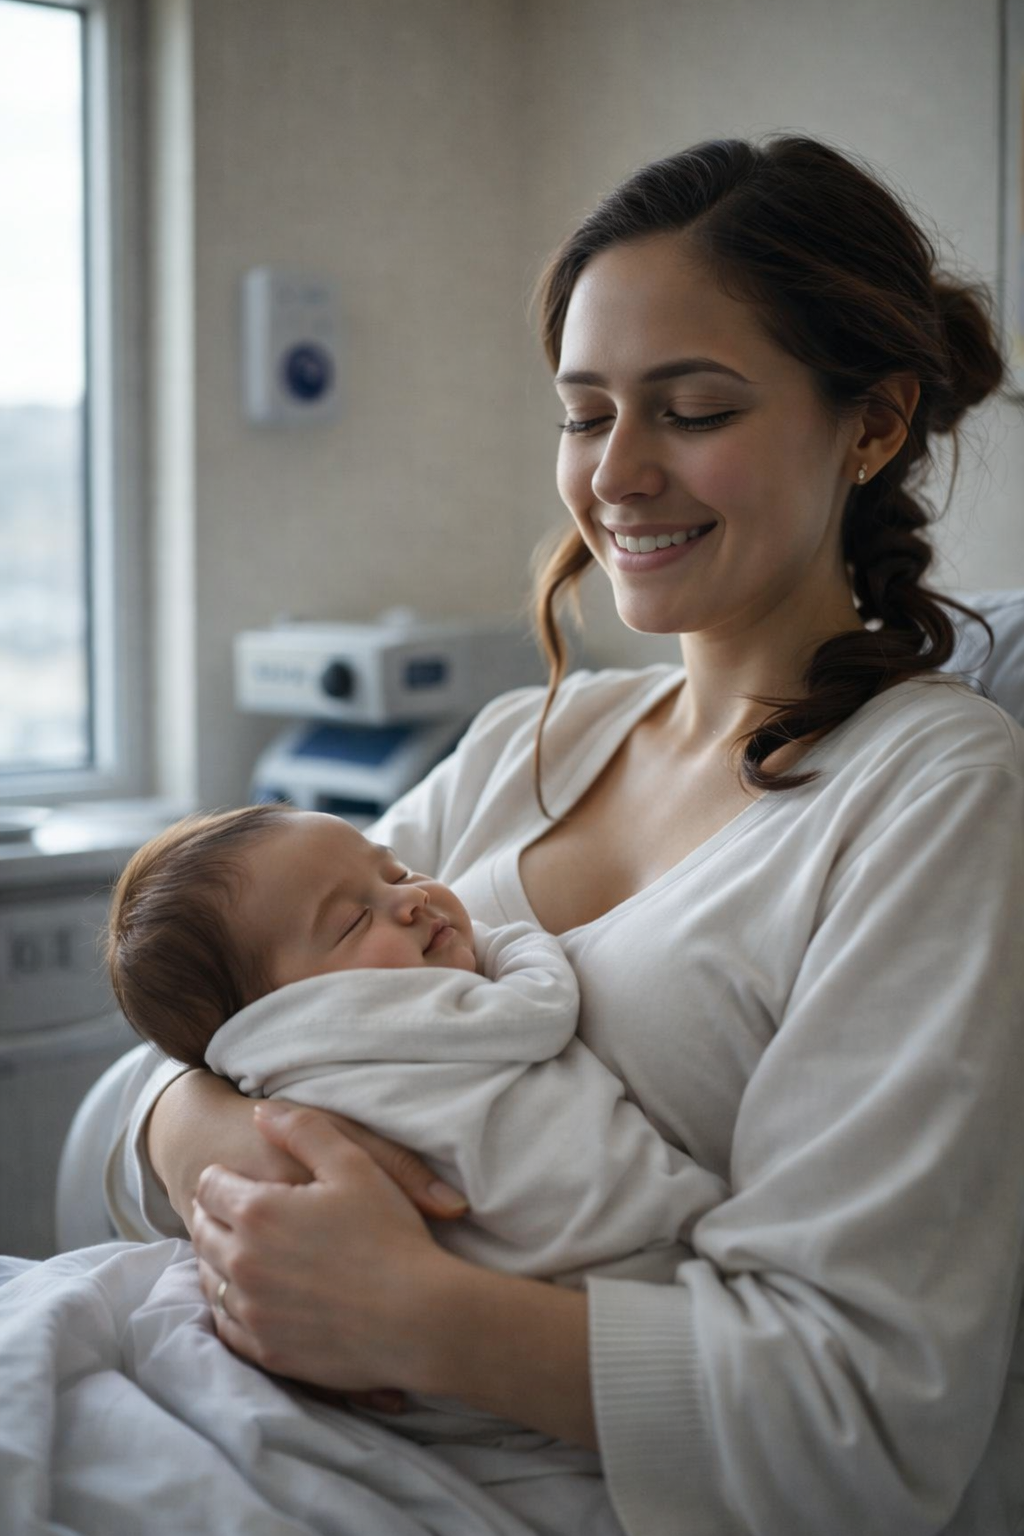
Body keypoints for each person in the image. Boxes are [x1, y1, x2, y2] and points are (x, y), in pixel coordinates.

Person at [104, 134, 1024, 1536]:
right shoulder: (523, 746)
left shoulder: (932, 798)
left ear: (873, 424)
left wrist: (413, 1314)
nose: (618, 474)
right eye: (585, 415)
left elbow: (863, 1418)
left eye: (694, 410)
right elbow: (131, 1093)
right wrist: (205, 1134)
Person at [107, 804, 723, 1302]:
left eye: (398, 874)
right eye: (352, 922)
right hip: (601, 1270)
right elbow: (540, 1009)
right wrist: (511, 944)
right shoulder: (399, 1017)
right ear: (275, 1007)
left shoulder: (263, 1060)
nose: (411, 900)